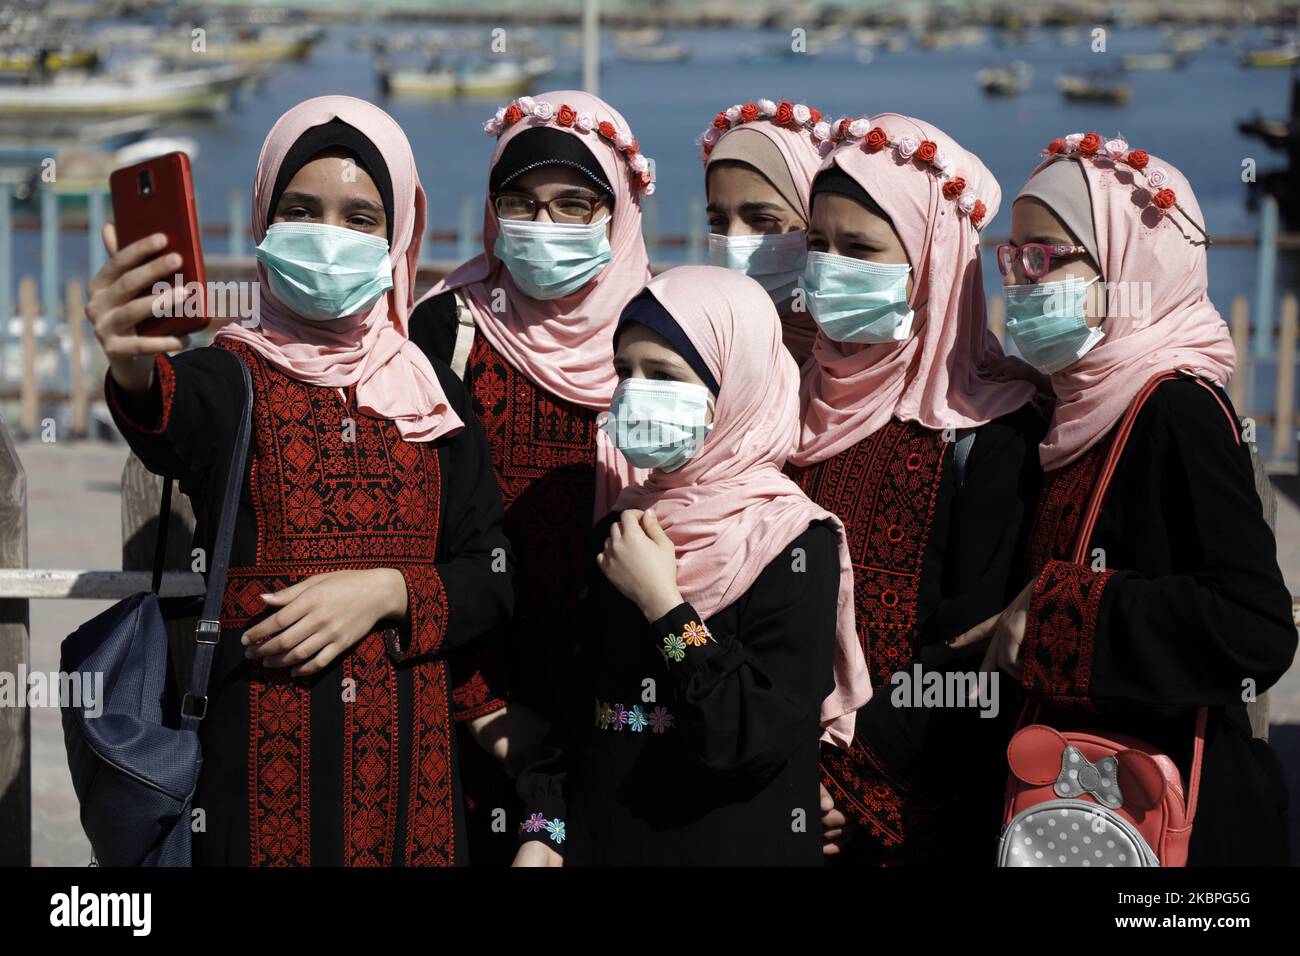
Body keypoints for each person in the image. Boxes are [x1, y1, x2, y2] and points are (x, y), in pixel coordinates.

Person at [90, 95, 513, 866]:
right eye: (300, 210)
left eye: (359, 218)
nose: (328, 238)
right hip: (254, 800)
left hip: (411, 804)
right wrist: (128, 360)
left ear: (398, 235)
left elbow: (491, 575)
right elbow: (165, 416)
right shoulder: (230, 376)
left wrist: (389, 590)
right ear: (262, 220)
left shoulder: (432, 396)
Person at [951, 133, 1296, 865]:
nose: (1019, 280)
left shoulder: (1179, 410)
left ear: (1128, 264)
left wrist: (1055, 615)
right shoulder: (1073, 406)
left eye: (1045, 258)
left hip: (1172, 823)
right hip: (1075, 816)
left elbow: (1254, 627)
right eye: (1013, 258)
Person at [512, 265, 871, 866]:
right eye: (625, 372)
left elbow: (751, 736)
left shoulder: (791, 542)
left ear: (737, 389)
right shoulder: (622, 529)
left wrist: (663, 606)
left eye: (663, 375)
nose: (634, 391)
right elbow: (575, 715)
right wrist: (542, 832)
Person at [789, 114, 1048, 865]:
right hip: (764, 789)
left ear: (931, 262)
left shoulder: (993, 435)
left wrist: (830, 774)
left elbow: (971, 663)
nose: (829, 269)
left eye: (862, 249)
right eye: (818, 245)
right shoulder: (779, 404)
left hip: (908, 819)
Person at [407, 90, 653, 865]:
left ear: (617, 214)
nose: (543, 227)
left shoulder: (660, 335)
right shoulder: (446, 327)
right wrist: (484, 708)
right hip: (465, 706)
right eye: (519, 203)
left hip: (614, 717)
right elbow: (414, 529)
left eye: (574, 204)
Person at [699, 97, 831, 363]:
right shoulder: (700, 352)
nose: (733, 239)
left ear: (815, 218)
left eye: (760, 220)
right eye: (717, 222)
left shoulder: (861, 360)